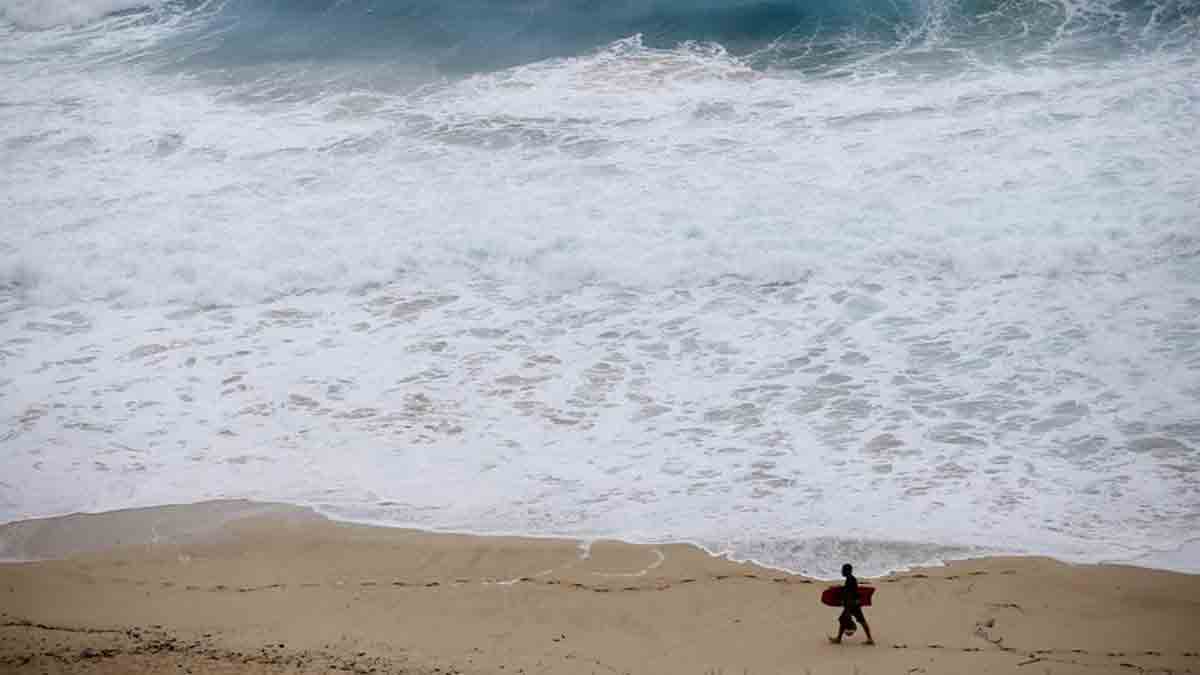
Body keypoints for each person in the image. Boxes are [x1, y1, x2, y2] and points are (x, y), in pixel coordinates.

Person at [830, 563, 873, 645]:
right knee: (847, 620)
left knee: (846, 619)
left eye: (843, 570)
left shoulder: (850, 580)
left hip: (852, 605)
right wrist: (838, 589)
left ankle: (840, 638)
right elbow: (849, 591)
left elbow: (849, 594)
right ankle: (839, 638)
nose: (841, 572)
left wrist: (847, 608)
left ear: (847, 571)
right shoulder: (850, 579)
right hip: (853, 604)